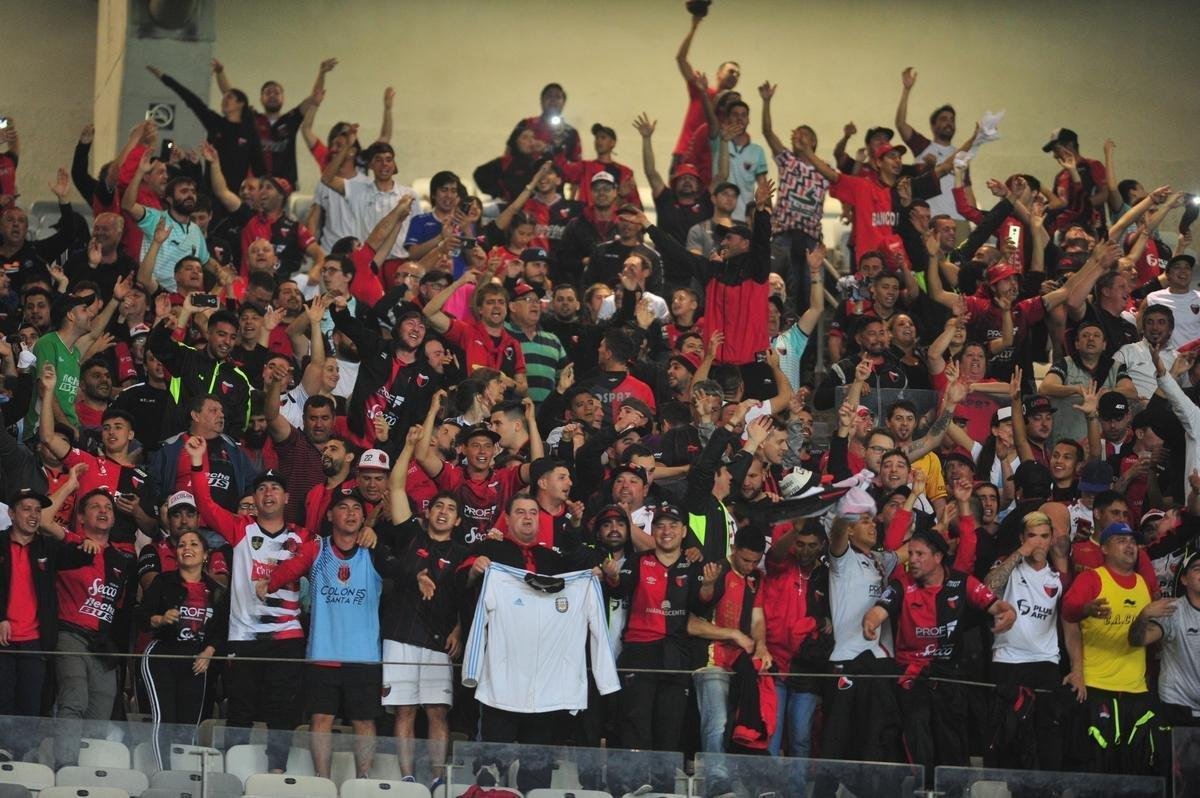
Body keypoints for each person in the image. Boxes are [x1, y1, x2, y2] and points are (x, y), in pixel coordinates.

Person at [186, 436, 311, 775]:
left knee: (281, 710)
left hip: (286, 638)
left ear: (286, 497)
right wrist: (199, 463)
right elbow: (206, 504)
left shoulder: (301, 537)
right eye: (262, 489)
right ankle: (234, 773)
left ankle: (276, 775)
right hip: (242, 637)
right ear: (255, 498)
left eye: (274, 488)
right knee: (239, 708)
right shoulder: (240, 528)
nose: (268, 493)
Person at [262, 486, 397, 780]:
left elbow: (403, 572)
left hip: (363, 656)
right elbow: (284, 573)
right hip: (323, 653)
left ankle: (362, 782)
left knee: (364, 721)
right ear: (330, 514)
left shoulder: (373, 550)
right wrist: (268, 583)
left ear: (364, 517)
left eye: (356, 509)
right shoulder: (317, 548)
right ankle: (322, 781)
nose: (350, 513)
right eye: (344, 507)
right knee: (321, 719)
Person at [386, 429, 467, 788]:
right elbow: (397, 488)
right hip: (401, 635)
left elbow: (469, 601)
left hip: (438, 641)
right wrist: (406, 446)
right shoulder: (410, 538)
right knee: (404, 711)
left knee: (437, 712)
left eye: (451, 509)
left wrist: (460, 629)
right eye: (439, 506)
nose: (444, 512)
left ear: (459, 521)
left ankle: (436, 779)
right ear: (428, 512)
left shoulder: (463, 556)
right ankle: (406, 778)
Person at [0, 488, 95, 747]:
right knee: (3, 704)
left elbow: (82, 556)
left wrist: (82, 543)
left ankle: (23, 761)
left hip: (35, 641)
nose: (33, 515)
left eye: (38, 510)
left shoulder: (47, 547)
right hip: (2, 641)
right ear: (11, 513)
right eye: (26, 509)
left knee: (31, 706)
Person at [1061, 522, 1159, 775]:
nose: (1130, 545)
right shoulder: (1092, 579)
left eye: (1132, 541)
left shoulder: (1142, 583)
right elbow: (1067, 614)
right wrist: (1085, 609)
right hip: (1098, 688)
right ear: (1103, 548)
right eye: (1121, 540)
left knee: (1134, 770)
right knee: (1098, 770)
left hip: (1136, 690)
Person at [983, 511, 1075, 771]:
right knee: (1007, 737)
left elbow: (1070, 620)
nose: (1038, 542)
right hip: (1007, 660)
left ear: (1051, 539)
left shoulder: (1059, 576)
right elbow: (987, 589)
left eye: (1044, 536)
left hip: (1045, 662)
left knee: (1046, 738)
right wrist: (1020, 552)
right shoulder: (1008, 566)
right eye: (1032, 536)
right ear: (1022, 538)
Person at [53, 488, 138, 768]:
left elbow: (119, 609)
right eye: (95, 506)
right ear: (80, 516)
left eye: (108, 507)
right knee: (74, 699)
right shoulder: (70, 547)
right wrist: (70, 483)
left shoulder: (122, 560)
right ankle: (64, 767)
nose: (103, 511)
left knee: (102, 706)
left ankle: (85, 772)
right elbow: (42, 522)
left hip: (102, 643)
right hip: (70, 633)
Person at [137, 530, 228, 771]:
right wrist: (160, 618)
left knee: (189, 725)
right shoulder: (163, 582)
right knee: (164, 721)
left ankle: (181, 776)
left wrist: (209, 651)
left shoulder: (217, 591)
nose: (187, 548)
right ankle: (163, 775)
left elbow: (222, 630)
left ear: (205, 554)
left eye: (194, 544)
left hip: (197, 663)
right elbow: (141, 617)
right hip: (162, 658)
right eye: (182, 545)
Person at [149, 308, 254, 439]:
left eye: (232, 337)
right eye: (222, 334)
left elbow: (239, 425)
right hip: (178, 446)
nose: (227, 342)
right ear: (209, 333)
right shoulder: (187, 357)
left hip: (215, 454)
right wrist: (165, 327)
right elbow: (156, 346)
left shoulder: (239, 379)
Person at [1129, 550, 1200, 728]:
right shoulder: (1172, 610)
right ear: (1184, 579)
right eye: (1197, 569)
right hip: (1178, 705)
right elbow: (1137, 640)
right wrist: (1144, 615)